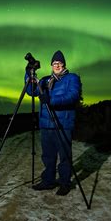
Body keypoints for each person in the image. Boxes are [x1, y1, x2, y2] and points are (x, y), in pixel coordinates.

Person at [25, 50, 81, 196]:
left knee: (64, 156)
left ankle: (64, 183)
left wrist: (52, 101)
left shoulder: (72, 78)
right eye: (54, 63)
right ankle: (48, 181)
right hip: (46, 124)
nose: (56, 65)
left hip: (63, 124)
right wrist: (28, 73)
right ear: (51, 65)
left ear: (64, 64)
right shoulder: (44, 80)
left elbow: (73, 96)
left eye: (59, 63)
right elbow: (30, 91)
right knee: (48, 156)